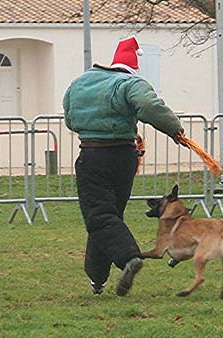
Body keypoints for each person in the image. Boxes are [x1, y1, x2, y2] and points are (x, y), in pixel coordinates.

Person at [63, 36, 186, 296]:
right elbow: (149, 106)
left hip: (93, 154)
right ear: (133, 67)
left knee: (99, 216)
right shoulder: (131, 83)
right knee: (108, 216)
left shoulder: (81, 82)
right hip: (124, 157)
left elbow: (70, 119)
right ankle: (97, 279)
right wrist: (175, 130)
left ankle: (129, 257)